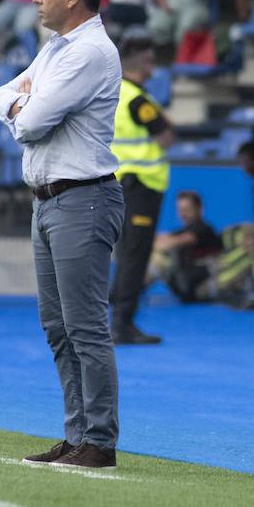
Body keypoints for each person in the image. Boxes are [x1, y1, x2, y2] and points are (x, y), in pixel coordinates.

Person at [0, 0, 124, 468]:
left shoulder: (88, 51)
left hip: (82, 198)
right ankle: (78, 435)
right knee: (58, 326)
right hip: (51, 201)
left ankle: (99, 441)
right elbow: (3, 96)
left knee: (85, 326)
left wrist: (21, 105)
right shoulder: (56, 49)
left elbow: (31, 122)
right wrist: (18, 103)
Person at [109, 37, 173, 345]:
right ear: (141, 62)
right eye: (150, 60)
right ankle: (123, 324)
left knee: (126, 253)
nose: (153, 67)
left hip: (123, 182)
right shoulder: (139, 100)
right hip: (141, 185)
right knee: (135, 256)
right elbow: (166, 137)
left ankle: (119, 318)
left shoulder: (115, 92)